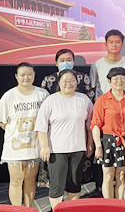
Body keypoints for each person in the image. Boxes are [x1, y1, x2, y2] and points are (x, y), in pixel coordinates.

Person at [34, 69, 94, 210]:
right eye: (65, 81)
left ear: (77, 82)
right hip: (56, 150)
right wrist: (44, 146)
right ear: (59, 82)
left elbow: (90, 125)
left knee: (74, 183)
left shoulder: (84, 99)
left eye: (72, 80)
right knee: (57, 185)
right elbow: (41, 126)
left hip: (78, 149)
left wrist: (90, 143)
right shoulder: (51, 100)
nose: (69, 83)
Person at [0, 62, 49, 207]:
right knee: (15, 180)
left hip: (35, 146)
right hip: (15, 147)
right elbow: (1, 121)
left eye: (29, 74)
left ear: (34, 75)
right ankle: (17, 209)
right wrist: (15, 133)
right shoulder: (9, 96)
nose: (26, 78)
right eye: (22, 75)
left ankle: (28, 208)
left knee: (30, 179)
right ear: (16, 76)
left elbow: (47, 119)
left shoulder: (43, 94)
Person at [90, 67, 125, 199]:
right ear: (109, 81)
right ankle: (109, 205)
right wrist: (98, 146)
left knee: (122, 176)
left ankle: (120, 205)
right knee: (108, 175)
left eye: (122, 78)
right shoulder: (102, 100)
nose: (119, 81)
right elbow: (95, 124)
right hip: (108, 141)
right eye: (115, 78)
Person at [91, 29, 125, 99]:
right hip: (103, 103)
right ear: (106, 44)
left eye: (117, 42)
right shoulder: (96, 65)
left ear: (122, 44)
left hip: (123, 103)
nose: (114, 45)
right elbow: (93, 87)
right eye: (111, 42)